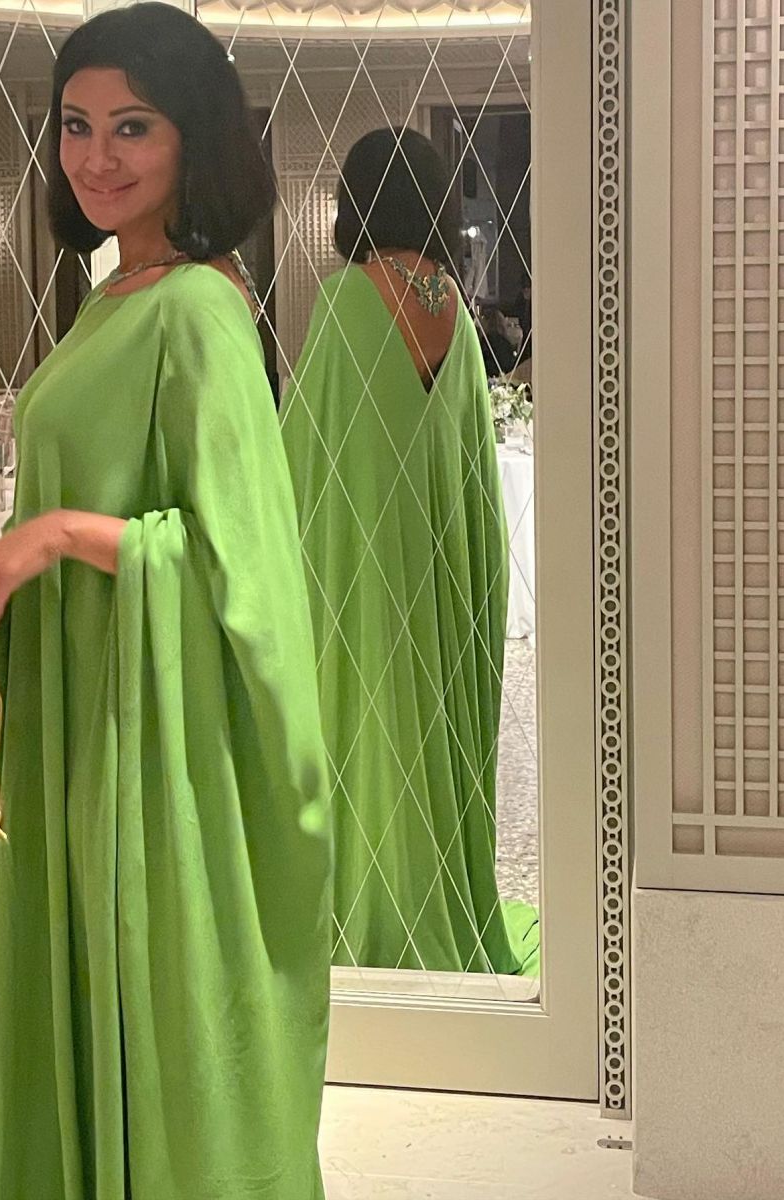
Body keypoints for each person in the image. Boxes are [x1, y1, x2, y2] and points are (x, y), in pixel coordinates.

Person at [0, 6, 332, 1196]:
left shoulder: (197, 307)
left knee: (145, 996)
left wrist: (46, 537)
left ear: (195, 137)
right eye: (75, 125)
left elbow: (244, 565)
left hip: (140, 744)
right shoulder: (115, 293)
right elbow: (95, 496)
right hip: (80, 718)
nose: (96, 157)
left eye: (132, 127)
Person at [281, 128, 537, 977]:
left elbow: (302, 453)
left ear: (354, 204)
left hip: (358, 571)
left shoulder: (346, 301)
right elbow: (466, 467)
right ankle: (433, 893)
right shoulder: (452, 310)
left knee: (363, 730)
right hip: (436, 570)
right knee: (425, 728)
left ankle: (369, 902)